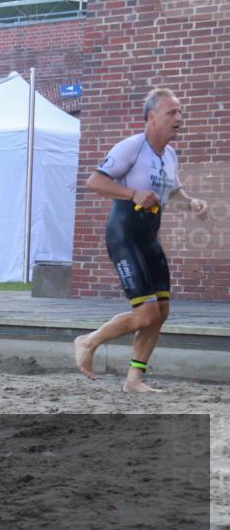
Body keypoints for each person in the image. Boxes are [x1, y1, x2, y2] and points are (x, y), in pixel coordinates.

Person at [74, 88, 209, 393]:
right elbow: (95, 181)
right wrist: (132, 193)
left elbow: (172, 192)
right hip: (125, 234)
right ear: (152, 117)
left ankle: (134, 380)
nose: (179, 118)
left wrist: (192, 204)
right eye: (171, 113)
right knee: (145, 313)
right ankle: (87, 341)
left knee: (160, 313)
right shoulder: (133, 147)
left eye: (180, 112)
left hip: (149, 237)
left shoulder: (170, 155)